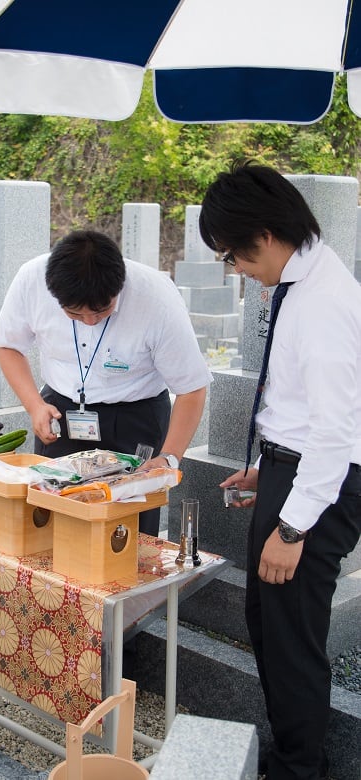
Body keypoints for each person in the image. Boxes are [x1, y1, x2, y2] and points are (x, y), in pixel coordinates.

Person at [199, 162, 361, 780]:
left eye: (232, 256)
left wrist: (292, 530)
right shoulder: (302, 281)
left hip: (321, 484)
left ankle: (301, 770)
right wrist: (269, 468)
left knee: (291, 636)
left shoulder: (322, 302)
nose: (235, 269)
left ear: (263, 235)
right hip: (294, 470)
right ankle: (293, 754)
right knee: (268, 623)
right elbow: (301, 407)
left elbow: (335, 431)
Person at [0, 229, 211, 536]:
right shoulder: (31, 279)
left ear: (119, 286)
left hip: (136, 419)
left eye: (102, 310)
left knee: (126, 531)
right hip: (60, 415)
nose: (90, 321)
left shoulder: (155, 296)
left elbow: (191, 388)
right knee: (53, 521)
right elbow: (8, 345)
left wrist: (169, 457)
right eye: (74, 313)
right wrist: (34, 405)